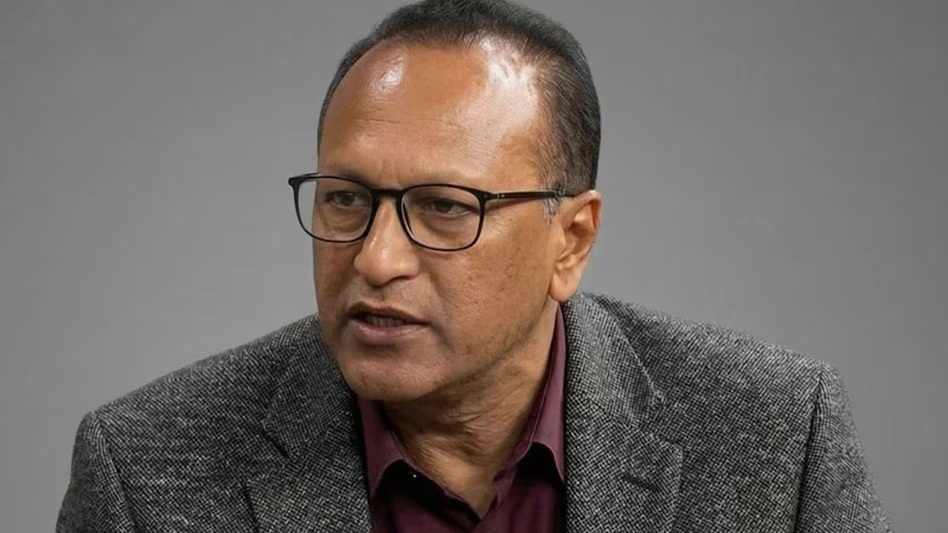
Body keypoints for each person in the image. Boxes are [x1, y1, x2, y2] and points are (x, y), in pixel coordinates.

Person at [57, 0, 891, 531]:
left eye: (445, 207)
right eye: (346, 198)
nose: (377, 257)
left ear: (572, 240)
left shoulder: (777, 441)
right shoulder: (144, 476)